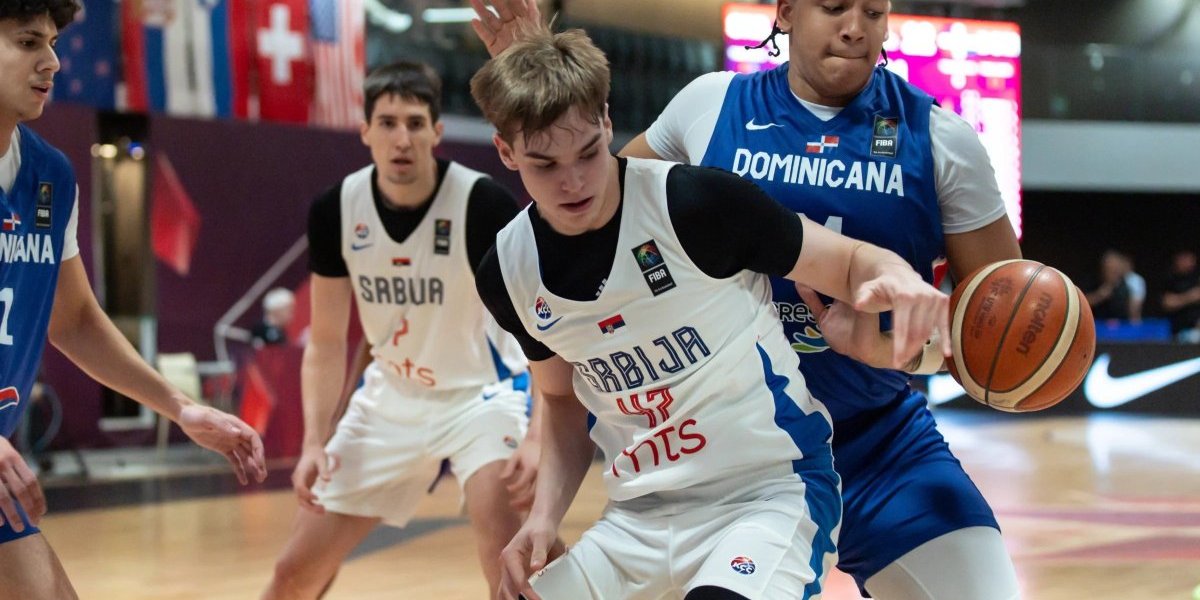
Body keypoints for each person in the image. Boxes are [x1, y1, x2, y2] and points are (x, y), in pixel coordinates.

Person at [469, 1, 1023, 597]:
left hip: (871, 448)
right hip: (701, 458)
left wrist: (912, 351)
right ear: (785, 12)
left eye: (873, 10)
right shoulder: (709, 105)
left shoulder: (942, 139)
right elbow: (596, 207)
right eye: (834, 6)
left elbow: (993, 345)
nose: (854, 27)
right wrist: (533, 77)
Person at [0, 3, 267, 598]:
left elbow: (73, 319)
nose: (52, 61)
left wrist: (180, 407)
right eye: (28, 42)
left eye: (53, 42)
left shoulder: (48, 175)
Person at [261, 61, 541, 600]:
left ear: (437, 132)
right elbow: (325, 342)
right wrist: (314, 441)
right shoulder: (336, 210)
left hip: (482, 396)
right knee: (294, 573)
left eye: (415, 123)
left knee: (509, 561)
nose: (402, 138)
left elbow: (542, 329)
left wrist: (539, 436)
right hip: (390, 397)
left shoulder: (482, 204)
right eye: (387, 123)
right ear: (365, 131)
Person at [1087, 249, 1142, 323]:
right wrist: (1099, 295)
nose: (1112, 273)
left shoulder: (1126, 287)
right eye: (1109, 269)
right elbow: (1082, 305)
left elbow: (1133, 316)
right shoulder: (1094, 283)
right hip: (1097, 326)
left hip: (1121, 327)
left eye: (1115, 270)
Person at [1163, 250, 1200, 343]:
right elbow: (1168, 303)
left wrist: (1178, 299)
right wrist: (1191, 296)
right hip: (1178, 332)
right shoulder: (1171, 279)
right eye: (1185, 258)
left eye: (1191, 259)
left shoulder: (1196, 277)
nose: (1189, 262)